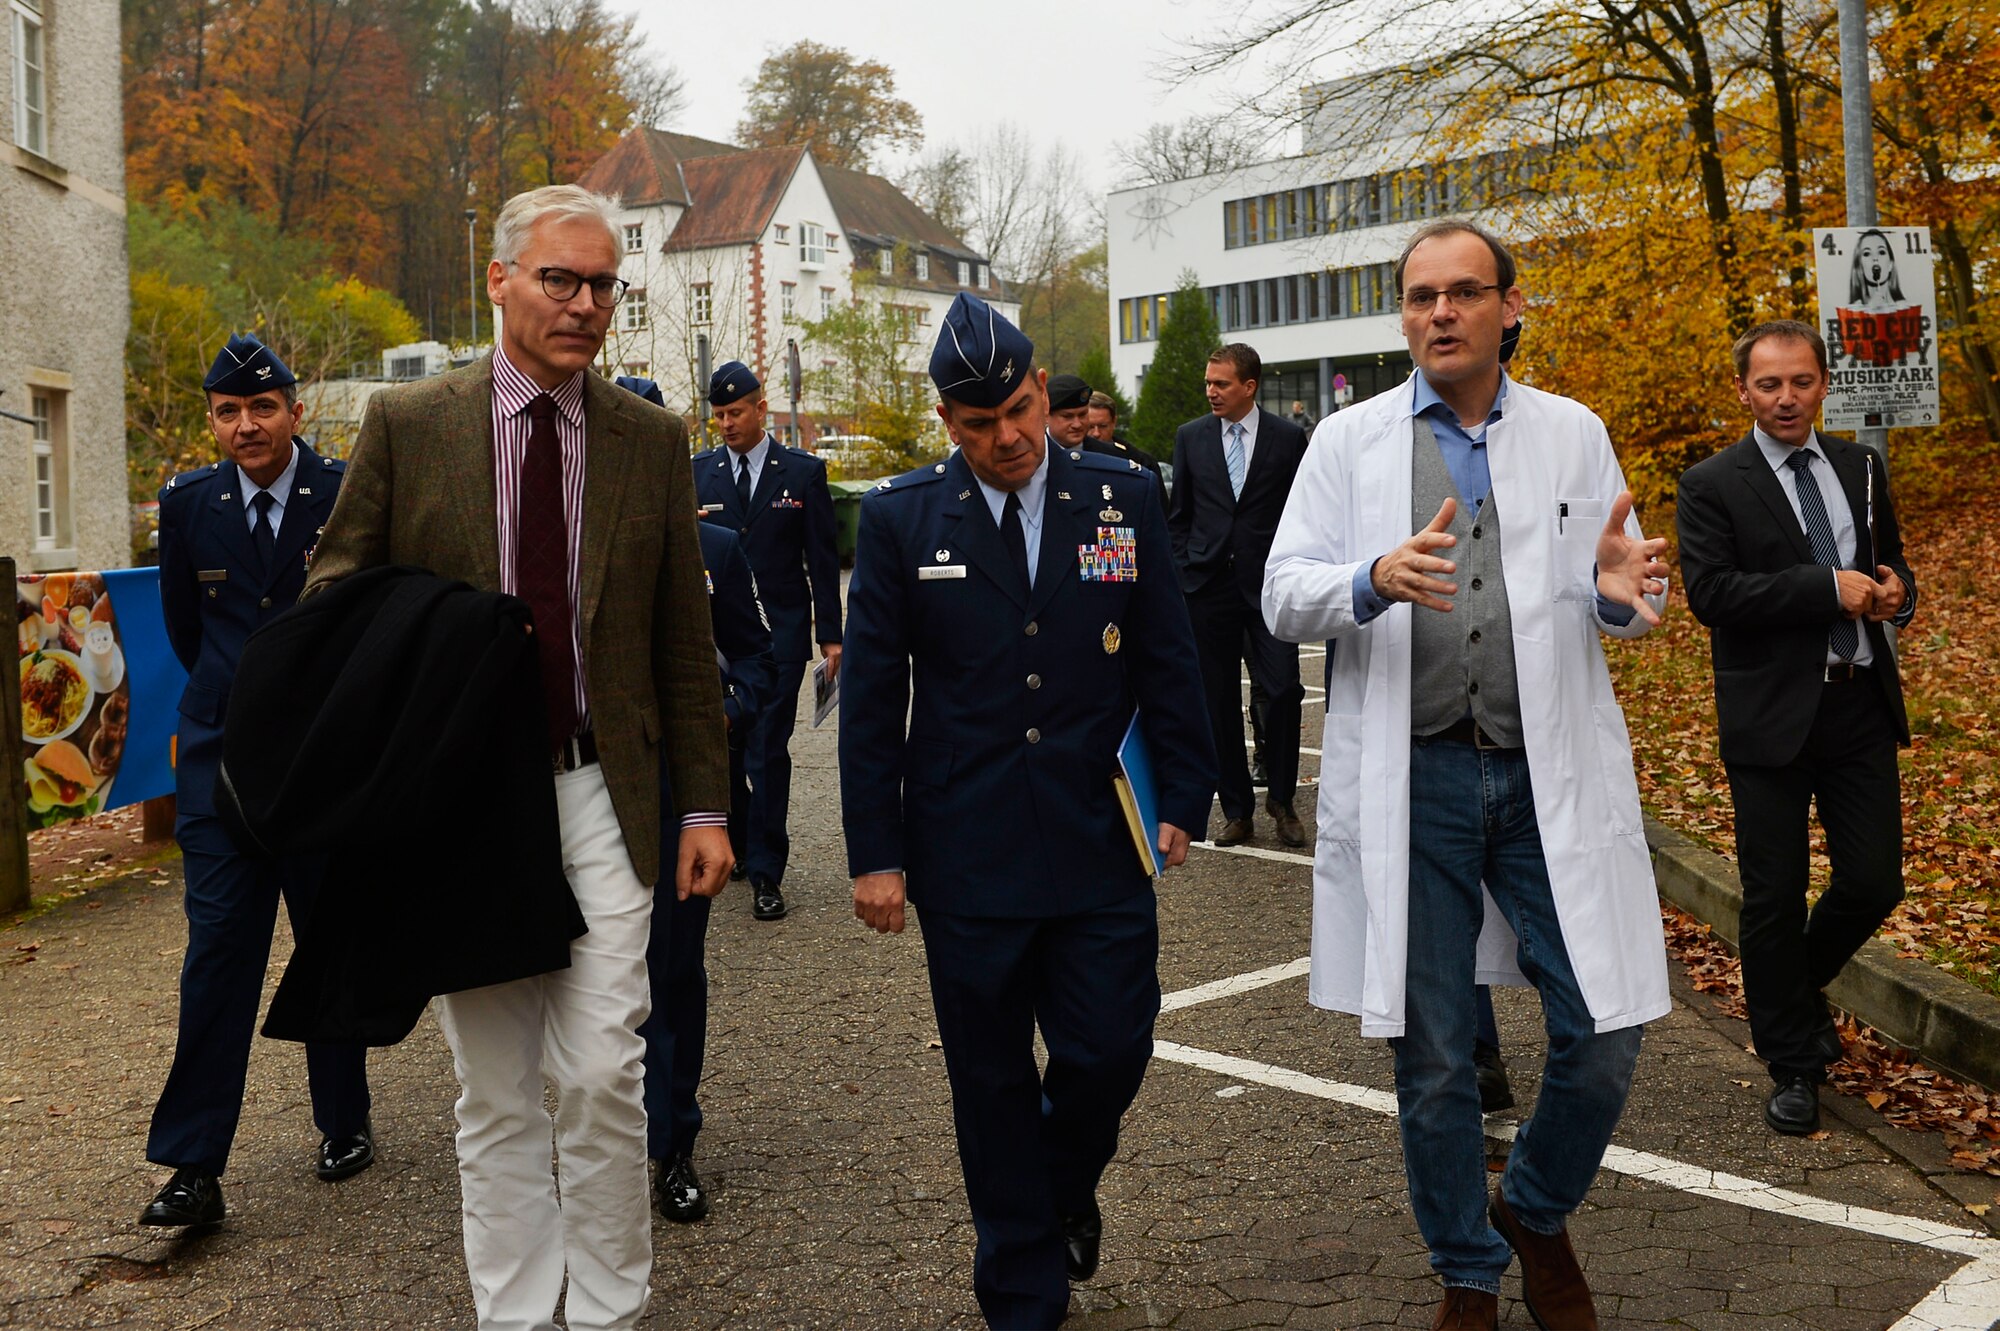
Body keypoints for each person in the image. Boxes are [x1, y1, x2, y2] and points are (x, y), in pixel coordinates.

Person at [302, 184, 733, 1331]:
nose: (585, 303)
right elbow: (333, 593)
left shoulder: (648, 438)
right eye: (561, 279)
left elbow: (682, 643)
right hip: (467, 808)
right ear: (498, 280)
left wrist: (704, 808)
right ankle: (513, 1312)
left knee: (600, 1069)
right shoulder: (412, 425)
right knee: (494, 1087)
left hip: (605, 788)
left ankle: (604, 1307)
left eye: (602, 285)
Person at [1263, 218, 1672, 1331]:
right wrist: (1368, 575)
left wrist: (1625, 594)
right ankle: (1466, 1272)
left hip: (1547, 783)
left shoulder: (1572, 433)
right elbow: (1279, 590)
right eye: (1417, 296)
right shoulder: (1346, 443)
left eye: (1460, 292)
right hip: (1414, 779)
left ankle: (1532, 1207)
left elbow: (1623, 592)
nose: (1437, 312)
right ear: (1402, 316)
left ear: (1507, 306)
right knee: (1434, 1053)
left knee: (1603, 1020)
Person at [840, 293, 1217, 1330]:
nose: (1003, 440)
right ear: (944, 422)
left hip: (1099, 834)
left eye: (1015, 410)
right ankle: (1021, 1284)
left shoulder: (1119, 495)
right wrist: (875, 852)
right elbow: (870, 699)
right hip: (966, 845)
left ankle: (1056, 1187)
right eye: (975, 425)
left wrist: (1180, 790)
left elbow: (1165, 654)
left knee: (1109, 1048)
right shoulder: (903, 516)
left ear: (1041, 388)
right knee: (990, 1076)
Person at [141, 333, 373, 1229]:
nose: (246, 426)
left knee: (329, 941)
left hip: (321, 761)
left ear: (294, 410)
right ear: (214, 420)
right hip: (221, 769)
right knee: (219, 959)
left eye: (262, 408)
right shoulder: (189, 504)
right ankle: (194, 1164)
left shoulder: (343, 489)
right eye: (229, 412)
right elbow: (187, 631)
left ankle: (343, 1117)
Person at [1675, 319, 1917, 1135]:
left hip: (1858, 705)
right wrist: (1827, 590)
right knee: (1774, 897)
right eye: (1770, 384)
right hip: (1770, 715)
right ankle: (1793, 1061)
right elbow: (1714, 595)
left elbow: (1893, 566)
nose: (1787, 398)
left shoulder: (1862, 464)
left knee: (1875, 880)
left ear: (1823, 384)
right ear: (1743, 390)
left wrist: (1893, 593)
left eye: (1802, 382)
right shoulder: (1711, 482)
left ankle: (1792, 993)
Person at [615, 376, 778, 1219]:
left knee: (673, 973)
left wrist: (724, 712)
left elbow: (759, 659)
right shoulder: (571, 548)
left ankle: (673, 1142)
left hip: (684, 796)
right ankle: (599, 1141)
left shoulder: (715, 552)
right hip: (594, 798)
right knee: (598, 981)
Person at [694, 362, 843, 922]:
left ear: (762, 408)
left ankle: (766, 871)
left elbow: (823, 560)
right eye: (719, 416)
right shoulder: (697, 473)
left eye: (736, 413)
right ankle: (737, 842)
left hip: (779, 637)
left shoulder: (801, 473)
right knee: (727, 751)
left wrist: (831, 636)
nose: (727, 424)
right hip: (718, 640)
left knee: (765, 752)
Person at [1167, 343, 1310, 847]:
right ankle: (1237, 809)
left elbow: (1303, 511)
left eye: (1221, 383)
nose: (1210, 391)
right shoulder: (1191, 438)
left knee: (1286, 691)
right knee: (1217, 701)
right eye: (1208, 382)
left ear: (1248, 386)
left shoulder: (1289, 438)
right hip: (1207, 590)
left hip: (1269, 587)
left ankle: (1283, 800)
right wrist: (1185, 568)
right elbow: (1178, 513)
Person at [1081, 388, 1166, 498]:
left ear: (1114, 422)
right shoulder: (1067, 458)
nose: (1096, 433)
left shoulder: (1141, 462)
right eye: (1090, 427)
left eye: (1103, 426)